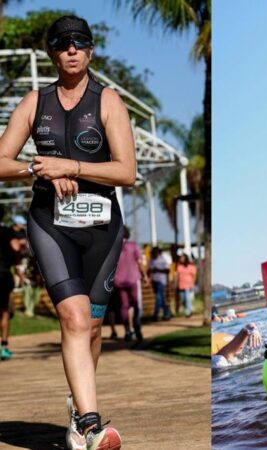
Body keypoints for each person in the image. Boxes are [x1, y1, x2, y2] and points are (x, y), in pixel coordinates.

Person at [0, 15, 136, 449]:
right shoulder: (33, 103)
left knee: (92, 328)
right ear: (52, 53)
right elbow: (1, 161)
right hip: (50, 224)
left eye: (80, 42)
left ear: (91, 51)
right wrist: (38, 168)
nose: (72, 49)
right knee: (74, 319)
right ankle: (92, 425)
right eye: (62, 44)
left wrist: (72, 166)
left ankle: (79, 412)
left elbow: (127, 172)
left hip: (102, 229)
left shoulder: (109, 101)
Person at [113, 227, 147, 346]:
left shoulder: (114, 247)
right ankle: (137, 326)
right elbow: (140, 262)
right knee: (137, 304)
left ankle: (128, 331)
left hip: (118, 281)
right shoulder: (133, 246)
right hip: (133, 279)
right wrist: (145, 276)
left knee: (124, 306)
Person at [0, 215, 27, 360]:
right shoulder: (7, 231)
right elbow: (16, 248)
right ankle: (4, 347)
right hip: (3, 274)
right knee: (4, 311)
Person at [149, 247, 171, 320]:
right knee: (160, 298)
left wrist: (158, 270)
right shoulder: (151, 260)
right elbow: (150, 270)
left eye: (155, 252)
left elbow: (167, 271)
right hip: (154, 281)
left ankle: (155, 315)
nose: (154, 254)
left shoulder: (163, 260)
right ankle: (167, 313)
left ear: (158, 252)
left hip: (161, 281)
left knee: (158, 298)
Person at [175, 254, 197, 318]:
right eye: (181, 258)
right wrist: (175, 283)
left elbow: (194, 275)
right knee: (183, 300)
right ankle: (189, 309)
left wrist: (192, 283)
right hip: (181, 285)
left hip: (188, 285)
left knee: (188, 299)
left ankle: (188, 313)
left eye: (182, 258)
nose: (181, 259)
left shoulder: (190, 266)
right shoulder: (179, 266)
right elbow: (177, 275)